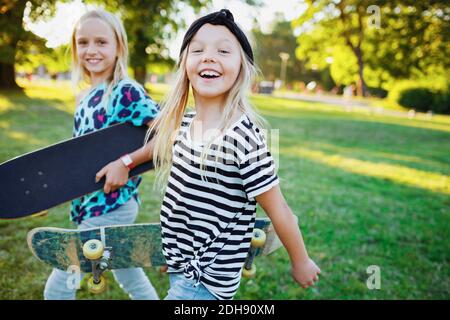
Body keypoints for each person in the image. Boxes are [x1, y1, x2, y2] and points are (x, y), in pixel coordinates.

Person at [146, 9, 321, 300]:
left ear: (242, 67)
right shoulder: (187, 124)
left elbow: (280, 210)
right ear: (185, 64)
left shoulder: (242, 138)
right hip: (183, 268)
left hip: (205, 282)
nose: (209, 57)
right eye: (197, 49)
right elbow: (185, 204)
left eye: (224, 51)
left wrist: (300, 261)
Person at [44, 9, 159, 300]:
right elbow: (78, 158)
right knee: (128, 274)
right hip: (90, 203)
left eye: (101, 42)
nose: (91, 50)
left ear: (119, 46)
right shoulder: (84, 96)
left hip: (112, 204)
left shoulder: (125, 91)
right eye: (83, 42)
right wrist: (47, 194)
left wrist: (126, 162)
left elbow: (167, 137)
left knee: (59, 286)